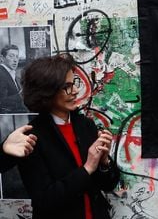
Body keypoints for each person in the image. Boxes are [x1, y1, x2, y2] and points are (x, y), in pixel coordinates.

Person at [18, 53, 120, 219]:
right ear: (47, 91)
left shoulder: (86, 125)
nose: (75, 91)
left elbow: (107, 185)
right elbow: (44, 200)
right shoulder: (31, 137)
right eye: (67, 86)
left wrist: (104, 162)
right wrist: (87, 168)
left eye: (75, 83)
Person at [0, 44, 27, 113]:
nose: (15, 60)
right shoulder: (1, 74)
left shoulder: (11, 73)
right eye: (11, 56)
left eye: (17, 56)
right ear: (2, 58)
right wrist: (21, 95)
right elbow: (2, 102)